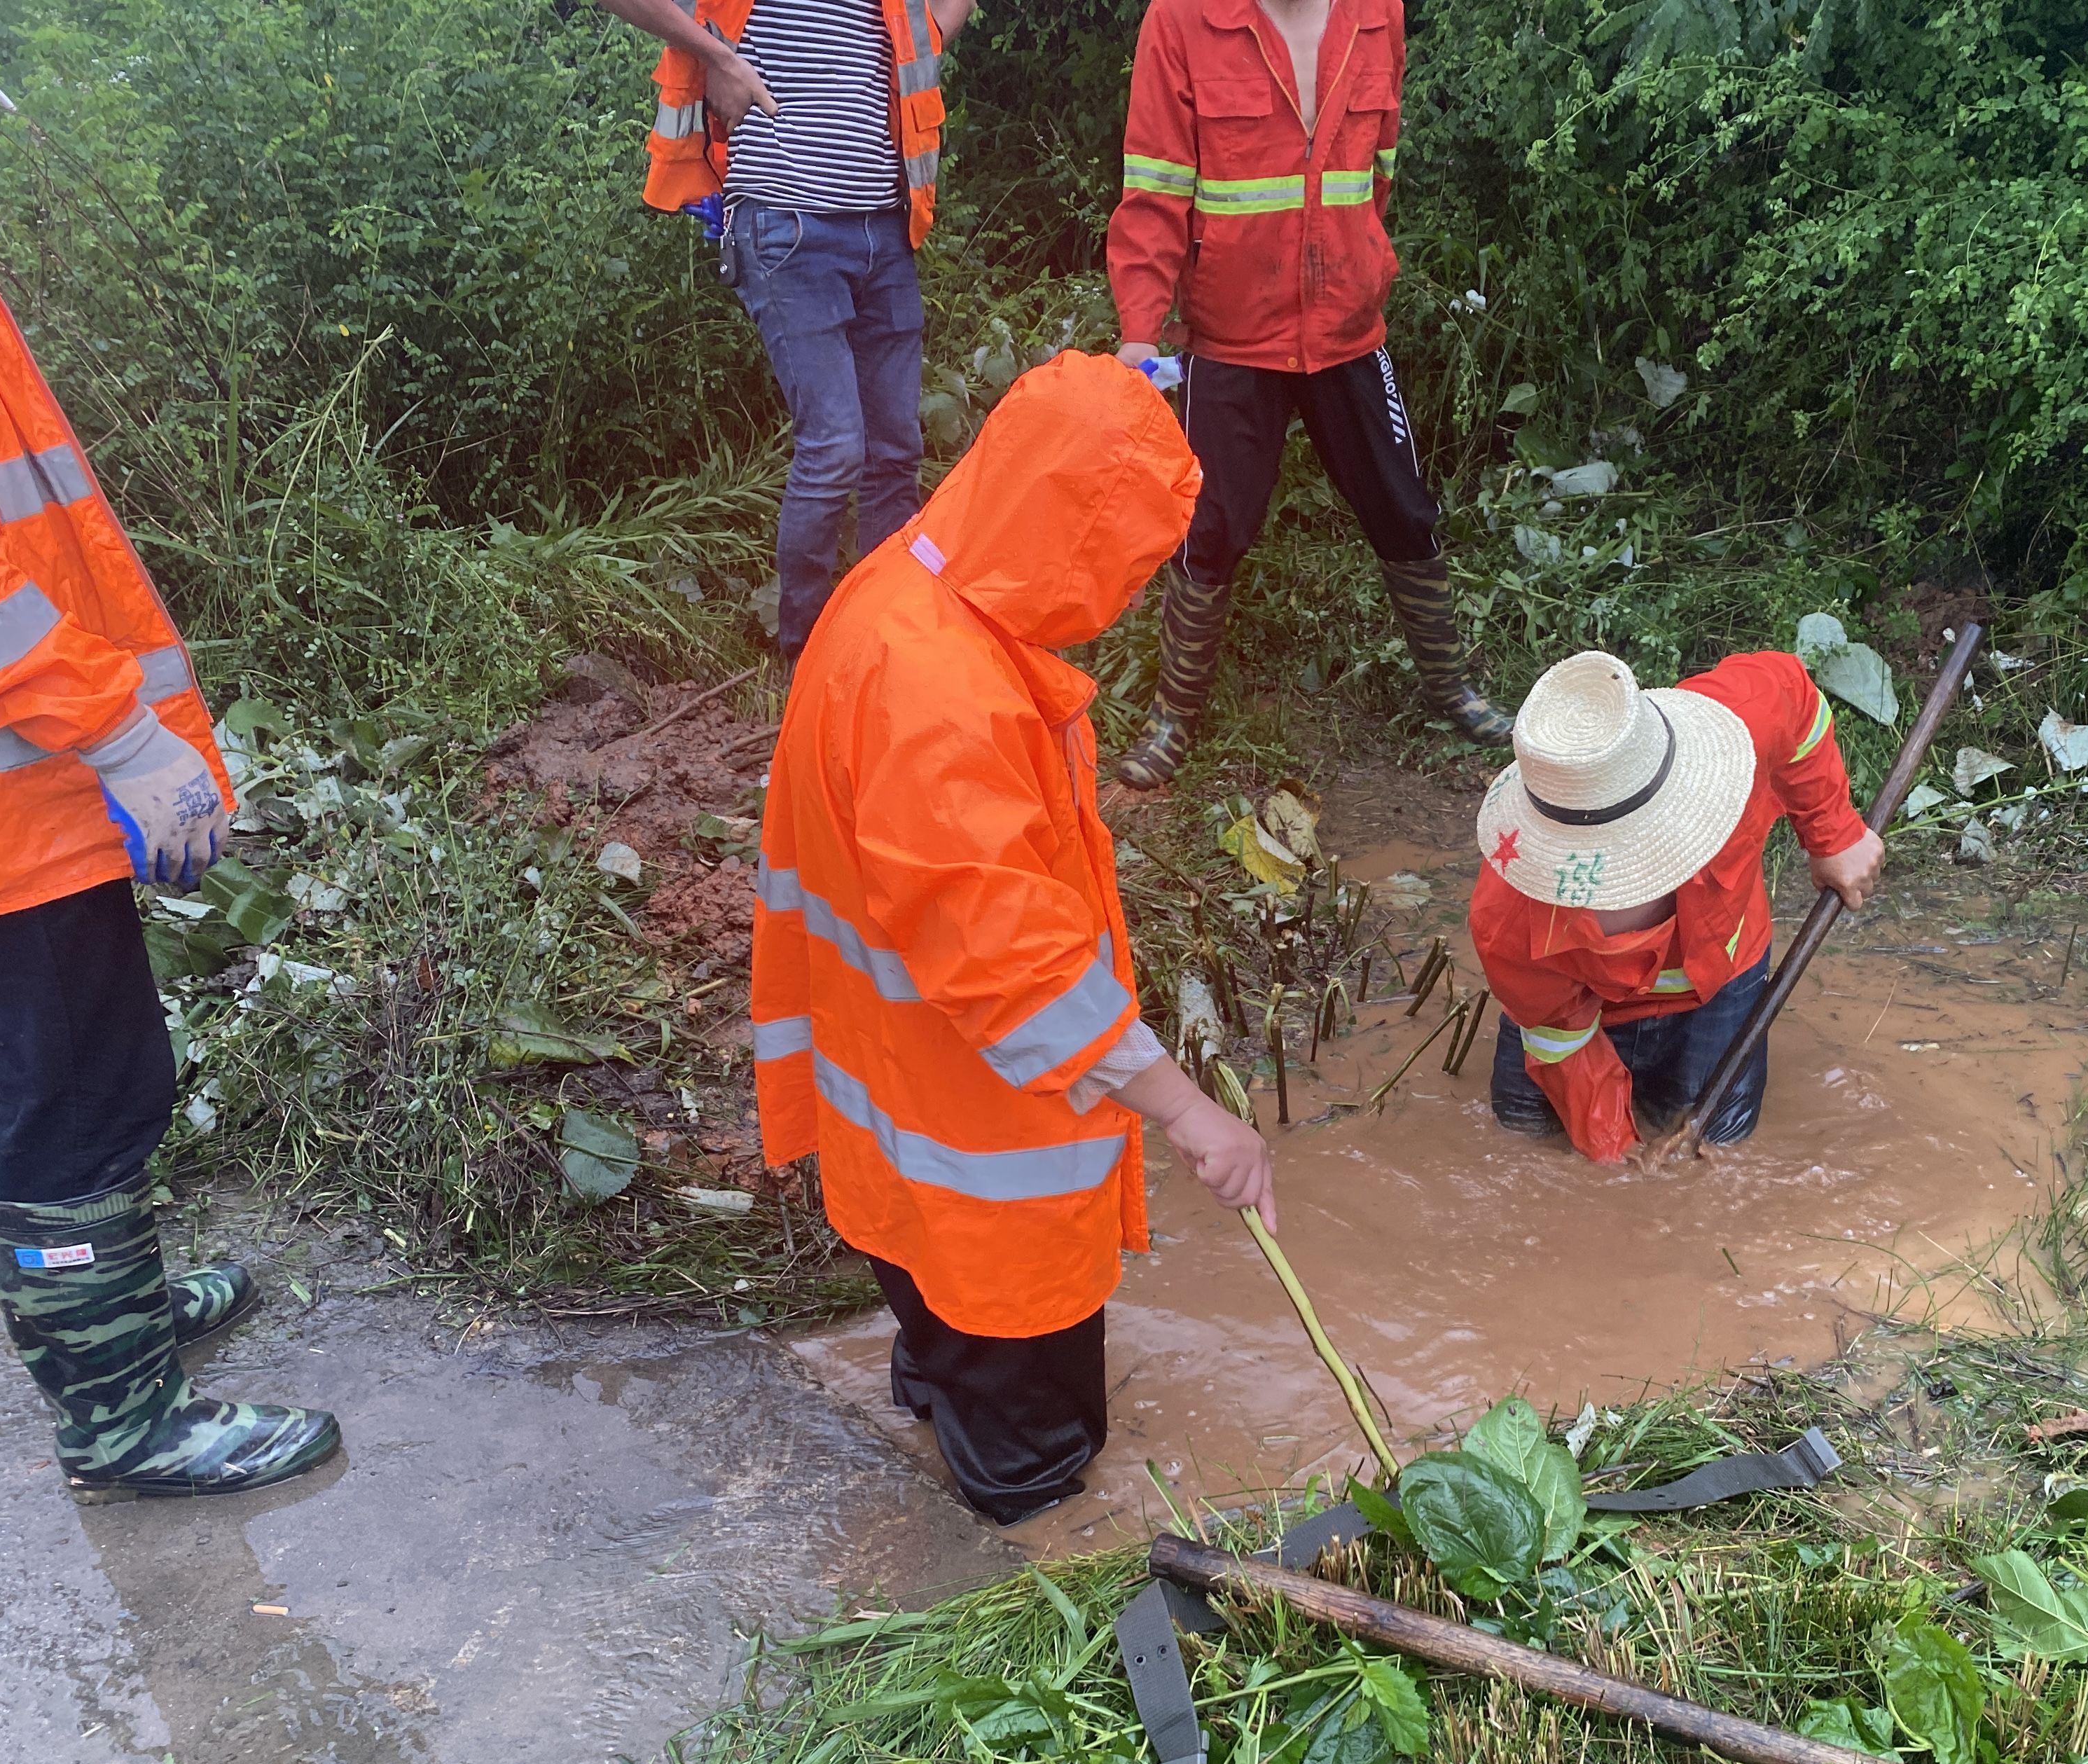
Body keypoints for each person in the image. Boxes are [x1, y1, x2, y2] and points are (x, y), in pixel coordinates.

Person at [749, 351, 1276, 1524]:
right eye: (1125, 566)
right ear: (1068, 536)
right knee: (1039, 1462)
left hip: (901, 1121)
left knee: (936, 1331)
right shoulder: (941, 695)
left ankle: (936, 1407)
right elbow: (1018, 968)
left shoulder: (899, 585)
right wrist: (1193, 1116)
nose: (1125, 597)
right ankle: (1020, 1544)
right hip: (988, 1168)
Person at [0, 271, 340, 1496]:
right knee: (74, 1100)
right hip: (4, 822)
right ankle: (119, 1419)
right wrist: (120, 731)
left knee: (57, 1083)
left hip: (21, 791)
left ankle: (114, 1315)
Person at [1102, 0, 1511, 789]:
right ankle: (1172, 717)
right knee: (1209, 527)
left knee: (1403, 508)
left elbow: (1377, 171)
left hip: (1347, 329)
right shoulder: (1180, 21)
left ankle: (1451, 689)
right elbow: (1153, 190)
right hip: (1231, 334)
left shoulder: (1378, 14)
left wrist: (1363, 264)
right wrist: (1140, 332)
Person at [603, 0, 974, 662]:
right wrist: (717, 57)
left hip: (886, 225)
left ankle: (886, 650)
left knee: (895, 451)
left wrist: (924, 37)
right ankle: (806, 659)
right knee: (835, 449)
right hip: (785, 222)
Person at [1468, 648, 1883, 1163]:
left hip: (1722, 978)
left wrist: (1834, 834)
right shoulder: (1507, 918)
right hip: (1573, 1017)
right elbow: (1564, 1048)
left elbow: (1796, 695)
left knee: (1720, 1151)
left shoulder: (1737, 726)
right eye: (1605, 879)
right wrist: (1618, 1161)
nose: (1627, 889)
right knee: (1523, 1135)